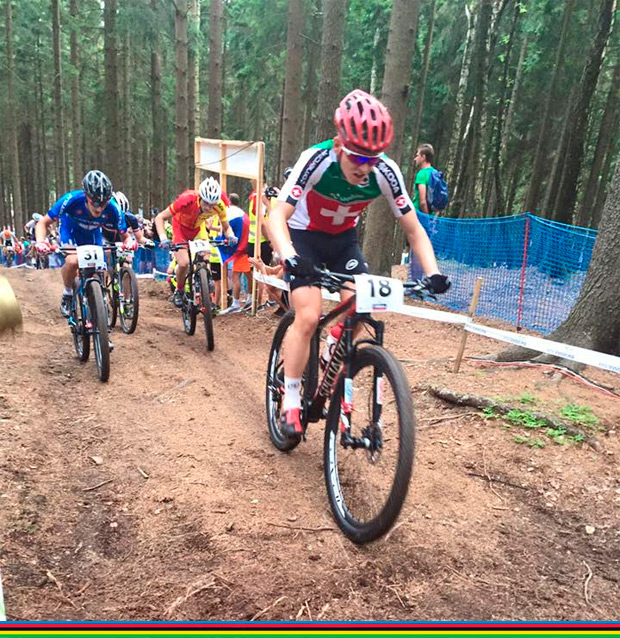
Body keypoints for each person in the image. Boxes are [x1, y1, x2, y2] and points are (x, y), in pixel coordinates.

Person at [268, 89, 451, 442]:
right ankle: (291, 398)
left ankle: (332, 343)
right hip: (303, 237)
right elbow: (276, 216)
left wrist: (433, 273)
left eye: (372, 158)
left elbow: (414, 230)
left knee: (360, 309)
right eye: (357, 157)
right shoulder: (316, 159)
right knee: (307, 315)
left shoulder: (386, 170)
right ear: (340, 144)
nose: (364, 167)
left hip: (343, 242)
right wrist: (289, 255)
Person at [35, 169, 132, 317]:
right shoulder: (71, 199)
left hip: (93, 235)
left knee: (101, 270)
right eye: (96, 202)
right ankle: (67, 293)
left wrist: (129, 242)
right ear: (87, 196)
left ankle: (100, 308)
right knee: (73, 261)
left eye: (104, 202)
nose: (100, 207)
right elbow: (43, 222)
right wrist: (41, 242)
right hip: (70, 231)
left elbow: (125, 235)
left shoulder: (113, 208)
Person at [154, 177, 237, 308]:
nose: (209, 208)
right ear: (200, 197)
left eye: (212, 204)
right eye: (206, 203)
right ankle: (179, 290)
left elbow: (226, 227)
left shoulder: (220, 205)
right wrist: (163, 238)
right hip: (180, 228)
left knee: (206, 257)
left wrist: (231, 236)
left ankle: (204, 282)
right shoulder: (186, 199)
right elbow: (160, 217)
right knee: (184, 263)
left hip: (198, 229)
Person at [411, 143, 435, 214]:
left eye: (417, 155)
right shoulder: (435, 173)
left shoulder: (422, 174)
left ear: (423, 157)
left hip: (419, 215)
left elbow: (422, 202)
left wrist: (427, 218)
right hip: (432, 216)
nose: (415, 159)